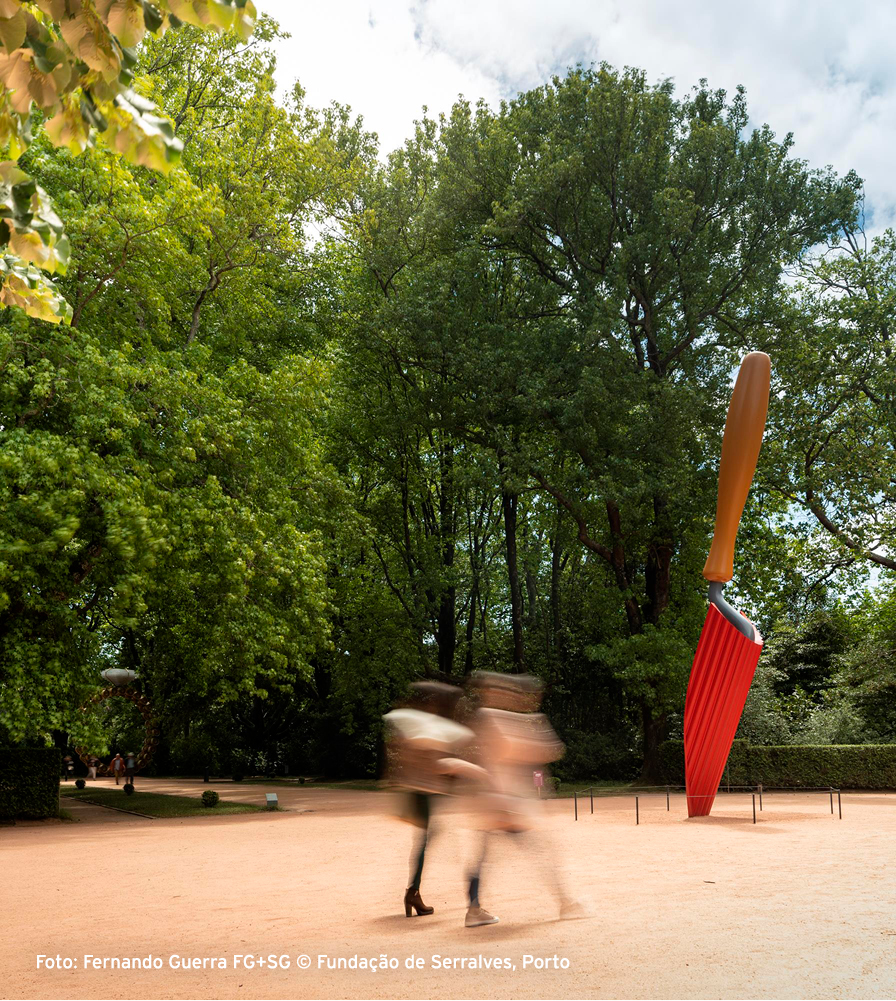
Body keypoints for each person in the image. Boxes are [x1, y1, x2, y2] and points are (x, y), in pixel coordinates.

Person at [464, 671, 585, 928]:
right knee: (540, 850)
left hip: (505, 800)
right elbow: (528, 749)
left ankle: (474, 908)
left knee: (486, 855)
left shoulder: (510, 718)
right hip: (503, 801)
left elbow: (551, 749)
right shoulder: (492, 716)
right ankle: (565, 901)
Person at [383, 681, 484, 918]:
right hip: (423, 793)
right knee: (427, 839)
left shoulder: (416, 725)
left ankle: (413, 892)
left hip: (415, 791)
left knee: (426, 838)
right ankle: (413, 891)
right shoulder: (430, 731)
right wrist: (470, 769)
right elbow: (438, 765)